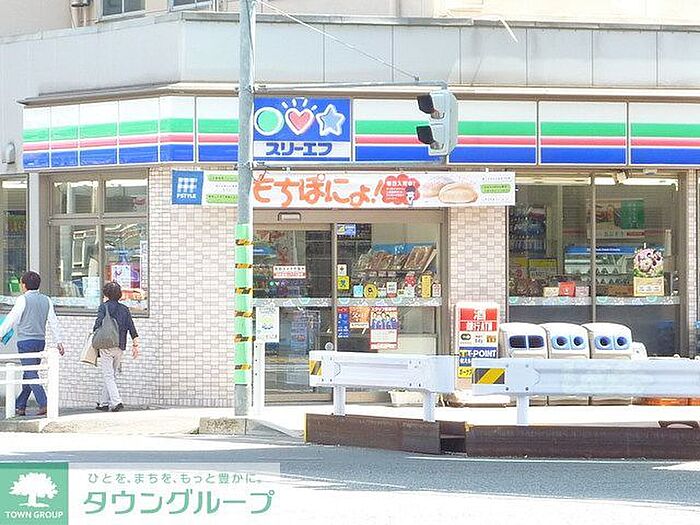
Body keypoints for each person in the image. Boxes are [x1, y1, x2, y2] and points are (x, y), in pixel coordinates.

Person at [0, 271, 65, 417]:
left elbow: (11, 318)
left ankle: (44, 402)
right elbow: (53, 321)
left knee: (30, 372)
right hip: (40, 341)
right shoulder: (46, 300)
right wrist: (59, 341)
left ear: (24, 285)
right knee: (29, 372)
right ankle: (20, 406)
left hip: (25, 341)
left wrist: (1, 333)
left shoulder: (22, 299)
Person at [94, 281, 139, 412]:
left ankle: (116, 401)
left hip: (107, 345)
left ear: (106, 294)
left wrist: (95, 334)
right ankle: (103, 403)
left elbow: (97, 324)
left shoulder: (104, 307)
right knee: (110, 374)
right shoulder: (125, 309)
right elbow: (132, 328)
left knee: (108, 375)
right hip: (120, 346)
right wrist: (136, 345)